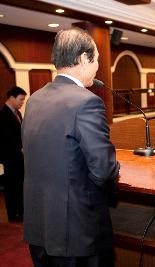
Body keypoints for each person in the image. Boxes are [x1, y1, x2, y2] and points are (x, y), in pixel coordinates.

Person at [22, 28, 120, 267]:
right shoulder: (86, 102)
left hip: (40, 224)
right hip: (77, 233)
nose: (98, 66)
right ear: (84, 59)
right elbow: (104, 170)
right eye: (97, 59)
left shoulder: (34, 99)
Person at [0, 86, 27, 222]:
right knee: (11, 186)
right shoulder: (2, 113)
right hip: (10, 157)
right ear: (11, 98)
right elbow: (5, 137)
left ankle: (20, 212)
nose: (22, 102)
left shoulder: (18, 113)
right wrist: (19, 148)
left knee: (19, 185)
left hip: (19, 157)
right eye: (21, 99)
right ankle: (13, 215)